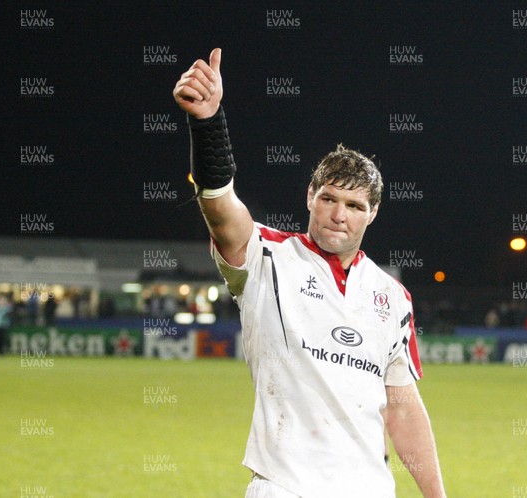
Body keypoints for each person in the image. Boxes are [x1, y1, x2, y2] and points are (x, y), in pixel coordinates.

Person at [173, 48, 446, 498]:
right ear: (310, 197)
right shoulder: (266, 257)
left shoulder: (391, 296)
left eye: (355, 206)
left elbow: (401, 407)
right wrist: (208, 124)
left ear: (372, 214)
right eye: (329, 199)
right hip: (286, 488)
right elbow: (220, 209)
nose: (340, 215)